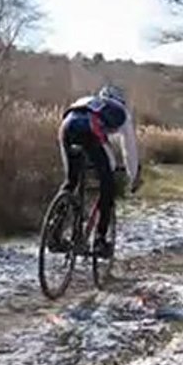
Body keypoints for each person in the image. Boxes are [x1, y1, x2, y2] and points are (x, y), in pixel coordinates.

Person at [54, 84, 142, 258]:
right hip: (89, 130)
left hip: (66, 127)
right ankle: (100, 240)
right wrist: (132, 177)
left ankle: (54, 232)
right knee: (107, 186)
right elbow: (129, 150)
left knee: (71, 181)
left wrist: (71, 172)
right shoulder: (122, 112)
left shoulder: (88, 100)